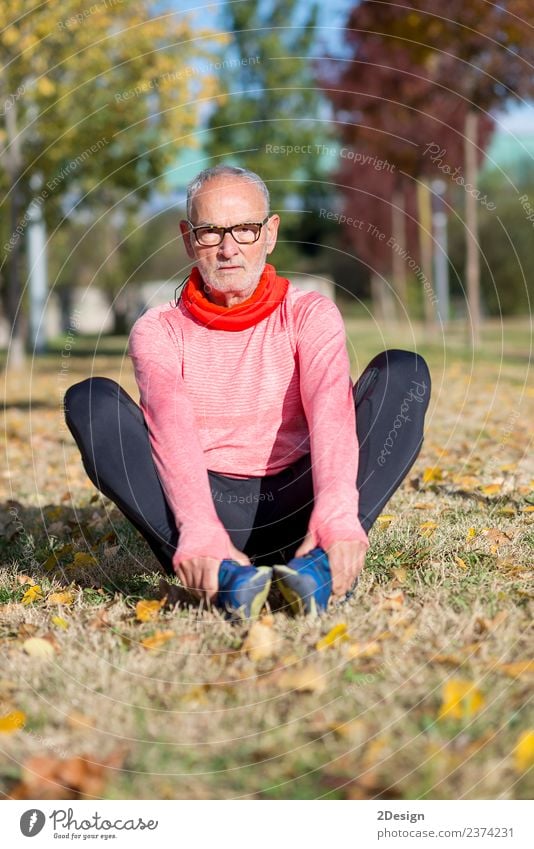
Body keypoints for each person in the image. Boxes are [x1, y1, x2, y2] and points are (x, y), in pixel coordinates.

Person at [64, 165, 430, 618]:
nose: (228, 248)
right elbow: (171, 432)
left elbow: (331, 413)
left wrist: (336, 510)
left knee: (404, 372)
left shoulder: (308, 313)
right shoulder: (158, 331)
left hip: (303, 497)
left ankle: (324, 563)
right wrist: (199, 527)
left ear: (270, 233)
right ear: (187, 238)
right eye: (211, 232)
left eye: (245, 229)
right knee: (90, 400)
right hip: (207, 513)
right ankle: (220, 576)